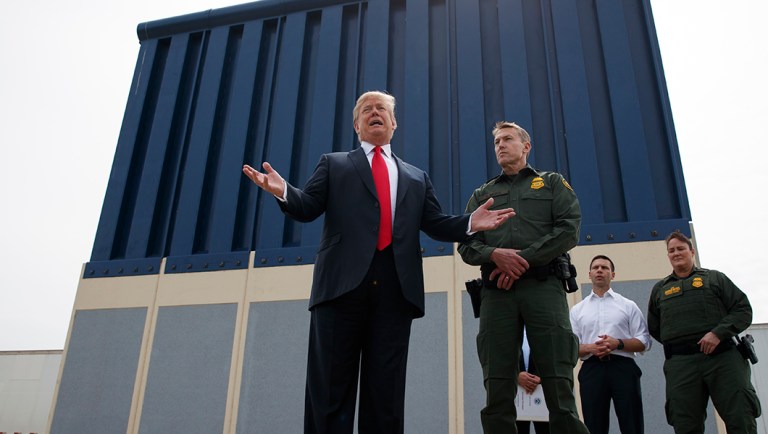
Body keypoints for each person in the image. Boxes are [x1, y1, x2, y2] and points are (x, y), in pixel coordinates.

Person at [242, 91, 515, 434]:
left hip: (395, 291)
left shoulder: (416, 177)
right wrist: (284, 192)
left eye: (382, 109)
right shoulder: (334, 163)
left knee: (386, 396)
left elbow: (434, 224)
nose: (375, 112)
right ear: (357, 125)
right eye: (367, 110)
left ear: (393, 123)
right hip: (340, 288)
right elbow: (308, 206)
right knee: (329, 392)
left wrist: (471, 223)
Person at [458, 121, 589, 434]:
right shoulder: (483, 194)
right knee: (498, 381)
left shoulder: (552, 183)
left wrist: (521, 260)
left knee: (558, 380)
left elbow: (569, 228)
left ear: (526, 146)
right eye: (497, 142)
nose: (501, 145)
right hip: (497, 295)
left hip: (543, 287)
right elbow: (466, 243)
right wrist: (495, 256)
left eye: (507, 139)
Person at [648, 231, 761, 434]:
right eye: (671, 250)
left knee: (740, 417)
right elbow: (655, 327)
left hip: (723, 359)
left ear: (692, 251)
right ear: (668, 256)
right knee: (685, 423)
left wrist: (718, 333)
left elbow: (743, 310)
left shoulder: (715, 279)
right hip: (681, 365)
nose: (676, 253)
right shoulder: (660, 289)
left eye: (681, 248)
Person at [569, 255, 651, 434]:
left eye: (605, 268)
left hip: (623, 368)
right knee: (593, 425)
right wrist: (591, 348)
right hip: (592, 369)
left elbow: (644, 342)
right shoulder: (577, 310)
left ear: (612, 274)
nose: (600, 270)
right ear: (589, 274)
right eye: (596, 267)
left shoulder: (628, 306)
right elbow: (570, 347)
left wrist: (618, 343)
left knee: (632, 423)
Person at [516, 330, 550, 434]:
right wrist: (516, 375)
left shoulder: (545, 324)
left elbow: (556, 352)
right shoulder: (508, 325)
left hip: (544, 390)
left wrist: (540, 375)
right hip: (514, 393)